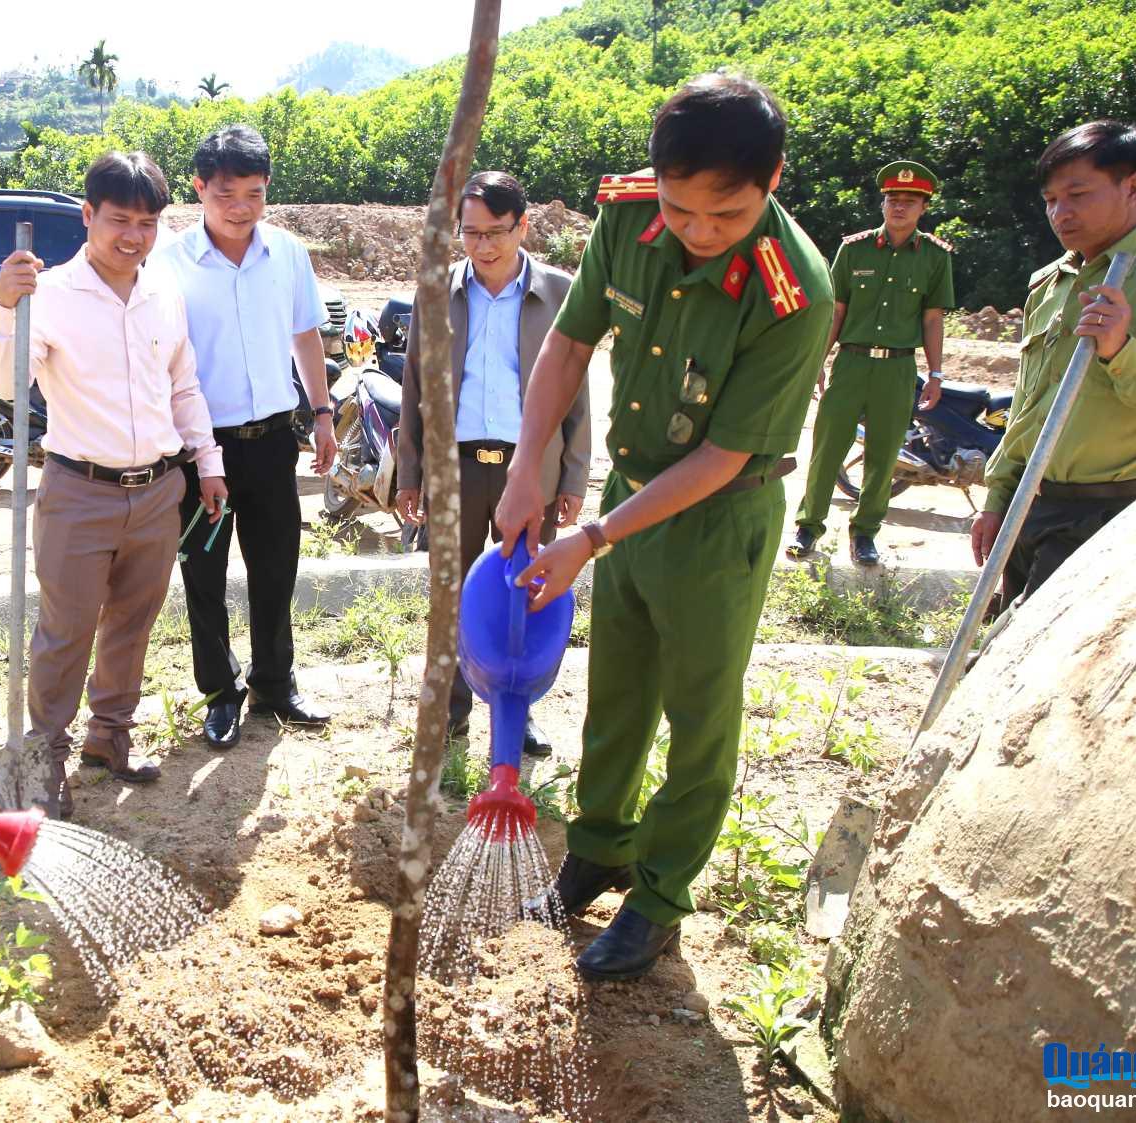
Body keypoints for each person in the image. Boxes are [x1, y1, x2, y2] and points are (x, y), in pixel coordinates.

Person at [496, 72, 834, 982]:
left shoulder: (793, 288)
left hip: (719, 519)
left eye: (723, 215)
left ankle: (659, 895)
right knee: (619, 690)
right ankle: (599, 846)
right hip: (633, 498)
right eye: (682, 211)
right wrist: (530, 465)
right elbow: (569, 344)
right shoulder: (628, 218)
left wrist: (593, 536)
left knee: (698, 713)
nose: (696, 231)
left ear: (772, 181)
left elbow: (723, 456)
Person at [0, 150, 227, 811]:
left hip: (157, 491)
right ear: (88, 215)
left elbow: (182, 386)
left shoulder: (163, 294)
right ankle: (44, 762)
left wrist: (207, 463)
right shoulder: (50, 295)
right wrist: (4, 309)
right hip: (79, 491)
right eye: (120, 220)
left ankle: (110, 738)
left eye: (148, 223)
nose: (134, 237)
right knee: (66, 630)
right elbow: (7, 385)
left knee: (133, 621)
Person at [971, 122, 1136, 607]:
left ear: (1131, 187)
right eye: (1050, 199)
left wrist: (1121, 351)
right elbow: (1028, 406)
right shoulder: (1050, 284)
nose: (1059, 213)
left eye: (1077, 194)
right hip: (1029, 504)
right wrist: (997, 497)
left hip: (1107, 512)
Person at [155, 124, 335, 749]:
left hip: (272, 442)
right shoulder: (167, 263)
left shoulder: (286, 253)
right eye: (226, 193)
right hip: (200, 449)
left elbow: (306, 335)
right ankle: (219, 693)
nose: (241, 208)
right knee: (203, 574)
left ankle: (274, 684)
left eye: (254, 194)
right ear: (200, 188)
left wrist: (322, 412)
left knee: (275, 566)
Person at [394, 170, 585, 754]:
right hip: (454, 468)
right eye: (470, 234)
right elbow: (414, 387)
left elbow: (577, 390)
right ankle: (450, 712)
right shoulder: (438, 291)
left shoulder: (559, 292)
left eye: (495, 232)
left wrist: (572, 473)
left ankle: (516, 708)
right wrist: (411, 474)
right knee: (448, 590)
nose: (482, 246)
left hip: (528, 472)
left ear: (523, 226)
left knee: (523, 591)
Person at [790, 160, 956, 566]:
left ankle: (865, 533)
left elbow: (933, 318)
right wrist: (817, 360)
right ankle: (808, 527)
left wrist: (935, 374)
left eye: (909, 202)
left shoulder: (935, 256)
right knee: (828, 448)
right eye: (892, 200)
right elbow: (837, 311)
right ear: (882, 205)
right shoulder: (854, 249)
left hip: (898, 369)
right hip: (851, 363)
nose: (899, 208)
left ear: (923, 208)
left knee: (883, 457)